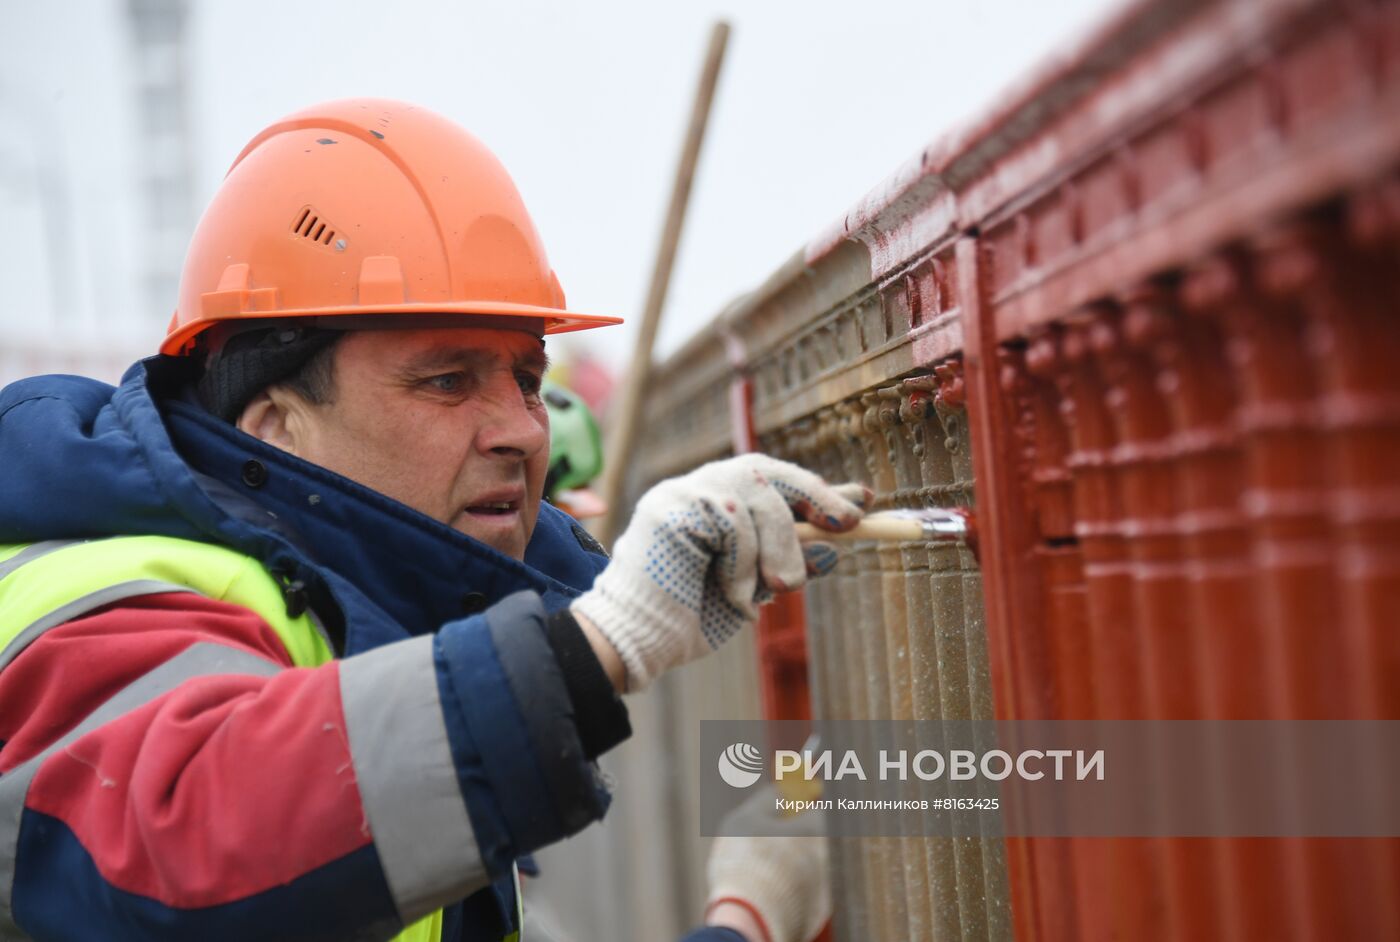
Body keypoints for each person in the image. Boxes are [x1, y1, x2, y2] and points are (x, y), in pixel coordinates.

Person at [0, 98, 865, 942]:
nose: (526, 430)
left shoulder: (383, 614)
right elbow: (189, 841)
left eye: (527, 380)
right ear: (276, 426)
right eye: (447, 381)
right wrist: (600, 644)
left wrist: (746, 919)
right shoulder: (101, 596)